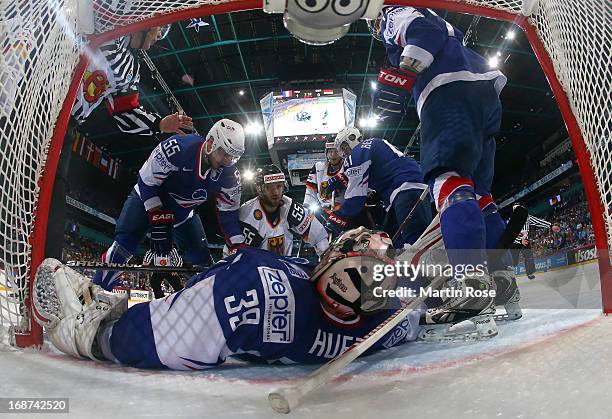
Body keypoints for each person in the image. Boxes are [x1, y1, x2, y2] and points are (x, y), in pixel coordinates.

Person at [32, 228, 423, 369]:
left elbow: (166, 339)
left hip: (235, 291)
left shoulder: (262, 291)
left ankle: (96, 325)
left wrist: (100, 340)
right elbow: (411, 309)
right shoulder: (392, 320)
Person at [368, 6, 507, 322]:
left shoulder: (393, 11)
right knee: (481, 194)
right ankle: (503, 280)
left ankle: (472, 282)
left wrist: (404, 70)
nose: (376, 28)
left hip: (447, 89)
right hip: (483, 90)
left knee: (448, 179)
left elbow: (425, 31)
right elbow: (436, 30)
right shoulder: (434, 18)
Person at [45, 25, 195, 261]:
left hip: (65, 128)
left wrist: (158, 124)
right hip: (42, 102)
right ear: (148, 23)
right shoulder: (104, 27)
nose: (158, 38)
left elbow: (125, 112)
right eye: (159, 31)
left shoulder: (130, 68)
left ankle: (45, 266)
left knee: (53, 194)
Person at [93, 119, 246, 291]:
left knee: (203, 264)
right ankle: (97, 293)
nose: (227, 160)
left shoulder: (231, 175)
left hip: (183, 213)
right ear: (211, 143)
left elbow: (229, 214)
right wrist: (157, 215)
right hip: (146, 200)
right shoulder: (178, 147)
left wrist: (238, 245)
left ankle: (204, 306)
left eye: (233, 157)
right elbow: (147, 181)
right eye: (223, 153)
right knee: (123, 247)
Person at [323, 127, 431, 249]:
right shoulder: (372, 144)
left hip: (405, 190)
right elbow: (365, 171)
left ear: (350, 141)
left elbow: (356, 197)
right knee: (397, 243)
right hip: (410, 188)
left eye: (343, 147)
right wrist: (341, 179)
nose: (344, 152)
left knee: (414, 244)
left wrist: (336, 218)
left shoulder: (356, 153)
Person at [225, 165, 329, 257]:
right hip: (256, 273)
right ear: (259, 189)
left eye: (278, 186)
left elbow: (319, 237)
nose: (275, 192)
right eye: (269, 187)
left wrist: (325, 259)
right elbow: (233, 255)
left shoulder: (290, 207)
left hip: (284, 270)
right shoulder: (247, 215)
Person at [303, 141, 345, 212]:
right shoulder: (318, 167)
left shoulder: (349, 166)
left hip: (344, 209)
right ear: (326, 153)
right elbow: (310, 190)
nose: (333, 155)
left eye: (336, 151)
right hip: (324, 210)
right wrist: (307, 207)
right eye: (330, 151)